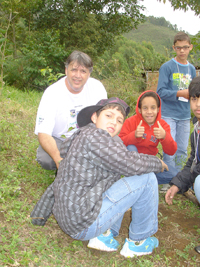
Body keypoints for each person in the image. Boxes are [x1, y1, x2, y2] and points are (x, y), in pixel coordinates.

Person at [31, 97, 168, 258]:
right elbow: (128, 163)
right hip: (81, 223)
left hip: (72, 217)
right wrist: (156, 162)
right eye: (108, 116)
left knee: (116, 175)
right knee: (148, 179)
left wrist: (39, 214)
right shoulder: (96, 138)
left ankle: (103, 235)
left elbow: (60, 179)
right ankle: (138, 242)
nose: (114, 122)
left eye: (119, 120)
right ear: (94, 117)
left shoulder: (83, 134)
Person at [35, 50, 107, 170]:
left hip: (89, 138)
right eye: (74, 69)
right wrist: (59, 160)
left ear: (89, 74)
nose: (78, 75)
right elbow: (43, 133)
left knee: (115, 141)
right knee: (45, 159)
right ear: (66, 70)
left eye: (83, 71)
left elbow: (105, 119)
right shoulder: (51, 93)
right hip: (61, 140)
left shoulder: (97, 88)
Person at [165, 76, 200, 254]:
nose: (198, 104)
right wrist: (177, 184)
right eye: (194, 99)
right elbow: (193, 163)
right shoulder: (197, 130)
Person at [119, 90, 178, 185]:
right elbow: (118, 143)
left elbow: (171, 151)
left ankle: (143, 179)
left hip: (151, 163)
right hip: (134, 165)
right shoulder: (130, 122)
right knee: (131, 147)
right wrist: (133, 136)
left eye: (153, 108)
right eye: (145, 108)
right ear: (140, 109)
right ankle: (141, 179)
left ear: (158, 109)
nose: (149, 112)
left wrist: (164, 136)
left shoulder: (163, 125)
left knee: (176, 176)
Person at [157, 31, 196, 172]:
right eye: (179, 47)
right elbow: (160, 92)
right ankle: (168, 179)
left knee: (182, 149)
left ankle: (179, 179)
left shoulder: (192, 69)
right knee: (170, 148)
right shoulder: (167, 67)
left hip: (185, 115)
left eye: (185, 47)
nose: (182, 51)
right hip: (168, 114)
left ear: (190, 47)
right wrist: (180, 93)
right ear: (174, 48)